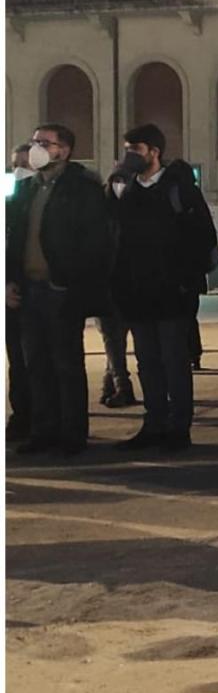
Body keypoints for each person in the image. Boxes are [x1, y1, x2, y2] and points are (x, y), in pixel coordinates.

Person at [109, 123, 218, 452]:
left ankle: (179, 427)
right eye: (127, 150)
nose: (130, 156)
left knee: (174, 361)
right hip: (137, 292)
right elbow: (114, 232)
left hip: (173, 292)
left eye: (136, 149)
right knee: (147, 362)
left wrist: (185, 280)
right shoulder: (126, 189)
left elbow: (203, 236)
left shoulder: (178, 188)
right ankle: (153, 422)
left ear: (154, 152)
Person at [5, 123, 112, 456]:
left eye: (44, 142)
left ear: (63, 150)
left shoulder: (81, 189)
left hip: (61, 289)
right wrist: (9, 280)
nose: (36, 147)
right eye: (34, 141)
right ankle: (43, 430)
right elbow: (14, 238)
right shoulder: (27, 188)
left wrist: (71, 282)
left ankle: (72, 434)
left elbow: (94, 242)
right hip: (29, 289)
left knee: (66, 364)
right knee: (35, 365)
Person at [96, 161, 139, 410]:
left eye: (124, 181)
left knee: (115, 339)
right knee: (112, 338)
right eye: (116, 181)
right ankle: (115, 384)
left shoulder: (136, 210)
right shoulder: (100, 211)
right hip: (106, 283)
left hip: (130, 284)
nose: (120, 186)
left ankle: (118, 385)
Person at [5, 145, 33, 442]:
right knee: (18, 360)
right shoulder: (9, 206)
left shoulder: (49, 203)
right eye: (16, 165)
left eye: (26, 164)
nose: (20, 170)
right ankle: (22, 415)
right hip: (12, 295)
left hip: (41, 292)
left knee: (42, 361)